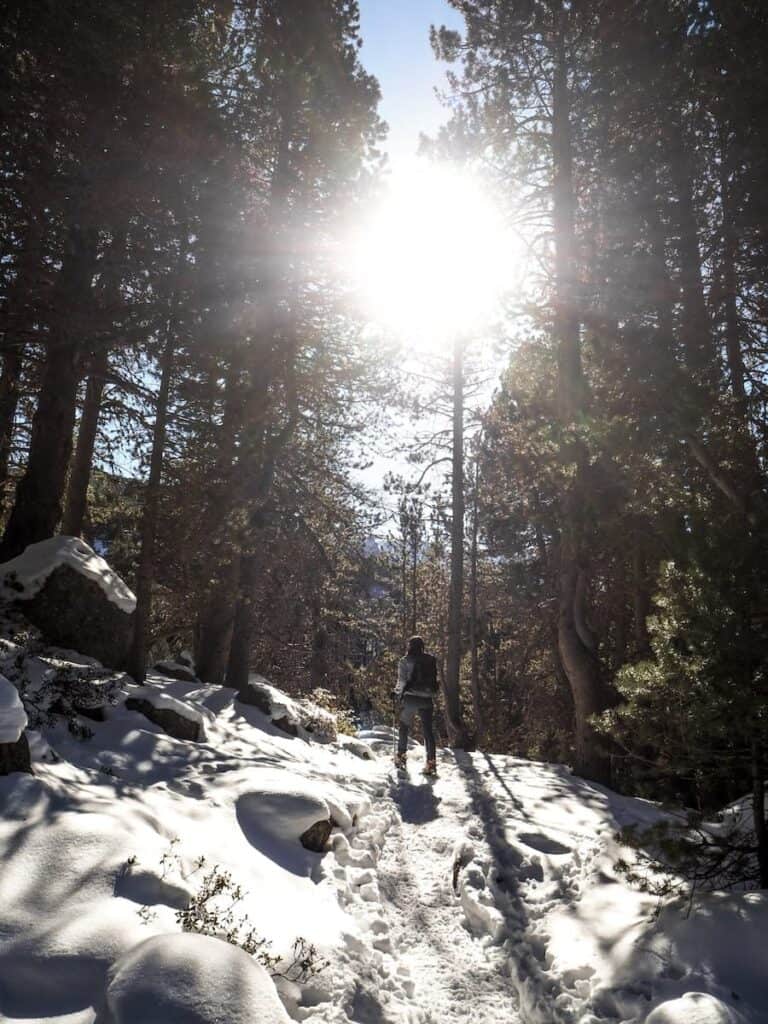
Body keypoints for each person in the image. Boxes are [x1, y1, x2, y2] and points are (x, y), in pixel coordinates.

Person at [394, 635, 438, 777]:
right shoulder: (430, 659)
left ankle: (401, 756)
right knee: (428, 732)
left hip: (410, 699)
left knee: (404, 726)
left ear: (410, 646)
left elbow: (401, 682)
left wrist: (396, 694)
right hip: (427, 698)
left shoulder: (405, 661)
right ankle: (431, 763)